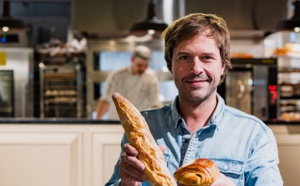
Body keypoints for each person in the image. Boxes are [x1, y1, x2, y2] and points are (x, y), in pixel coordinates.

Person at [105, 13, 283, 186]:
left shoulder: (254, 135)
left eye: (207, 57)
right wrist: (127, 183)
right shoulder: (144, 127)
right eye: (184, 57)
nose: (196, 68)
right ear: (170, 66)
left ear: (223, 65)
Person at [96, 45, 162, 120]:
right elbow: (105, 100)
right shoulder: (117, 76)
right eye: (139, 65)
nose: (143, 68)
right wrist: (97, 122)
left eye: (146, 66)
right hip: (116, 122)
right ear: (132, 60)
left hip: (138, 123)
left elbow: (155, 103)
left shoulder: (150, 78)